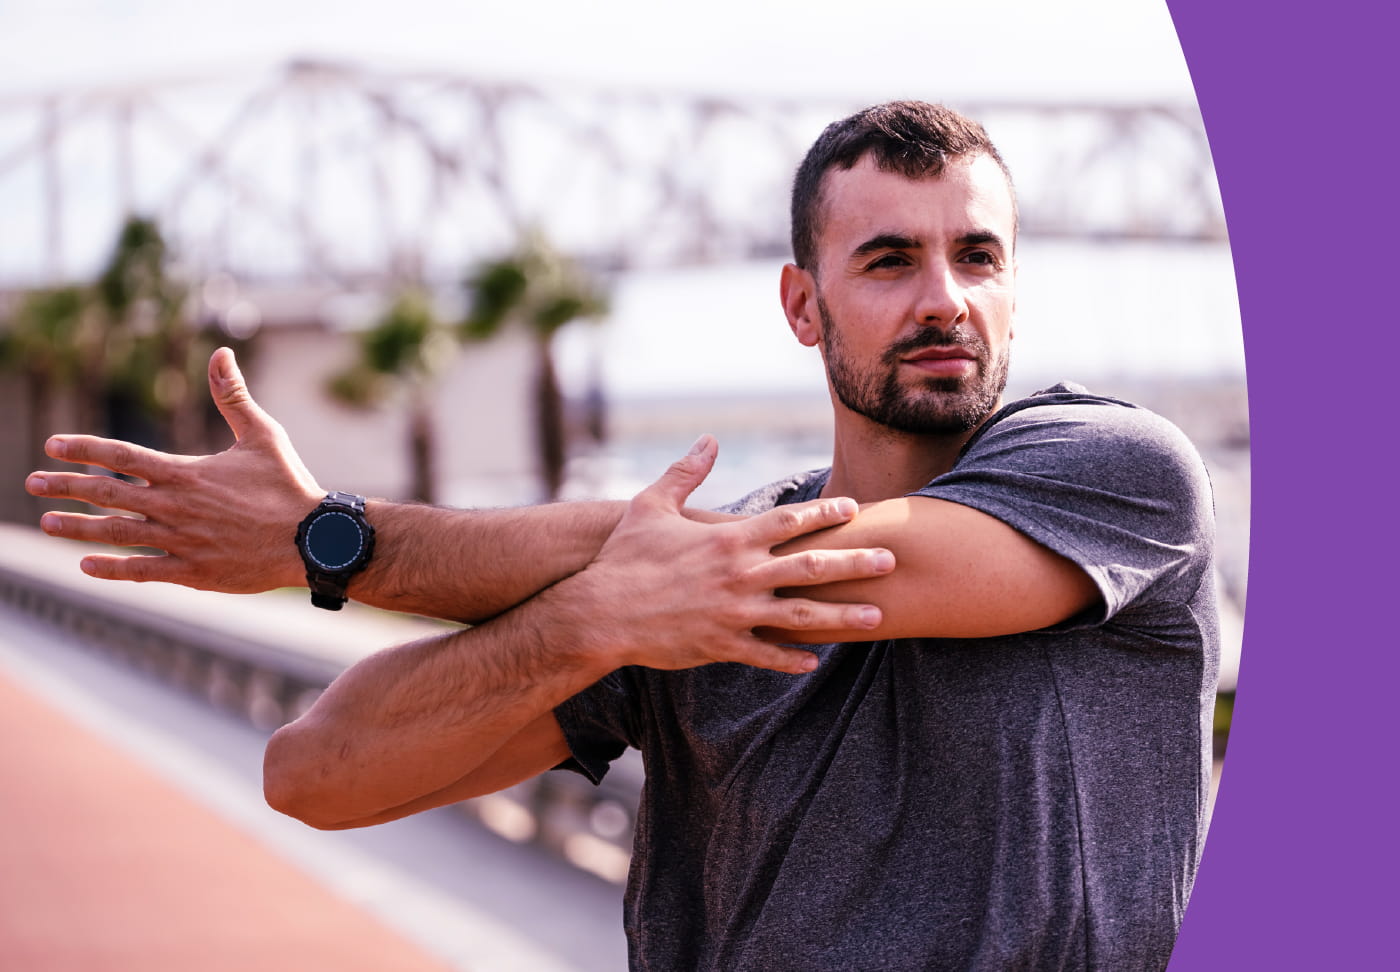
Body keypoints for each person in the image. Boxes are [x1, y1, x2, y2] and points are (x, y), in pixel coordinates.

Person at [26, 101, 1218, 971]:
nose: (943, 299)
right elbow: (312, 775)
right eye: (889, 260)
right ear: (802, 305)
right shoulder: (659, 603)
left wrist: (330, 542)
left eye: (977, 257)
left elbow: (814, 571)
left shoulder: (1116, 473)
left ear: (1014, 291)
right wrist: (587, 626)